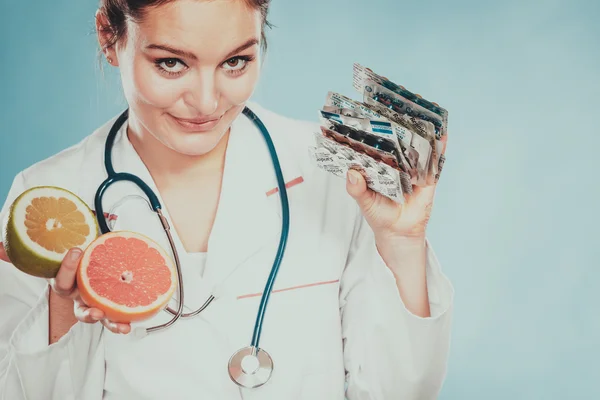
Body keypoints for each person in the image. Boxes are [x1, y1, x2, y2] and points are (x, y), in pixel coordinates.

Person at [0, 0, 454, 399]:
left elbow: (400, 392)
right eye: (172, 63)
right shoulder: (45, 203)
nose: (206, 101)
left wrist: (402, 245)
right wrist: (62, 311)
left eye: (235, 62)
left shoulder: (334, 173)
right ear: (109, 36)